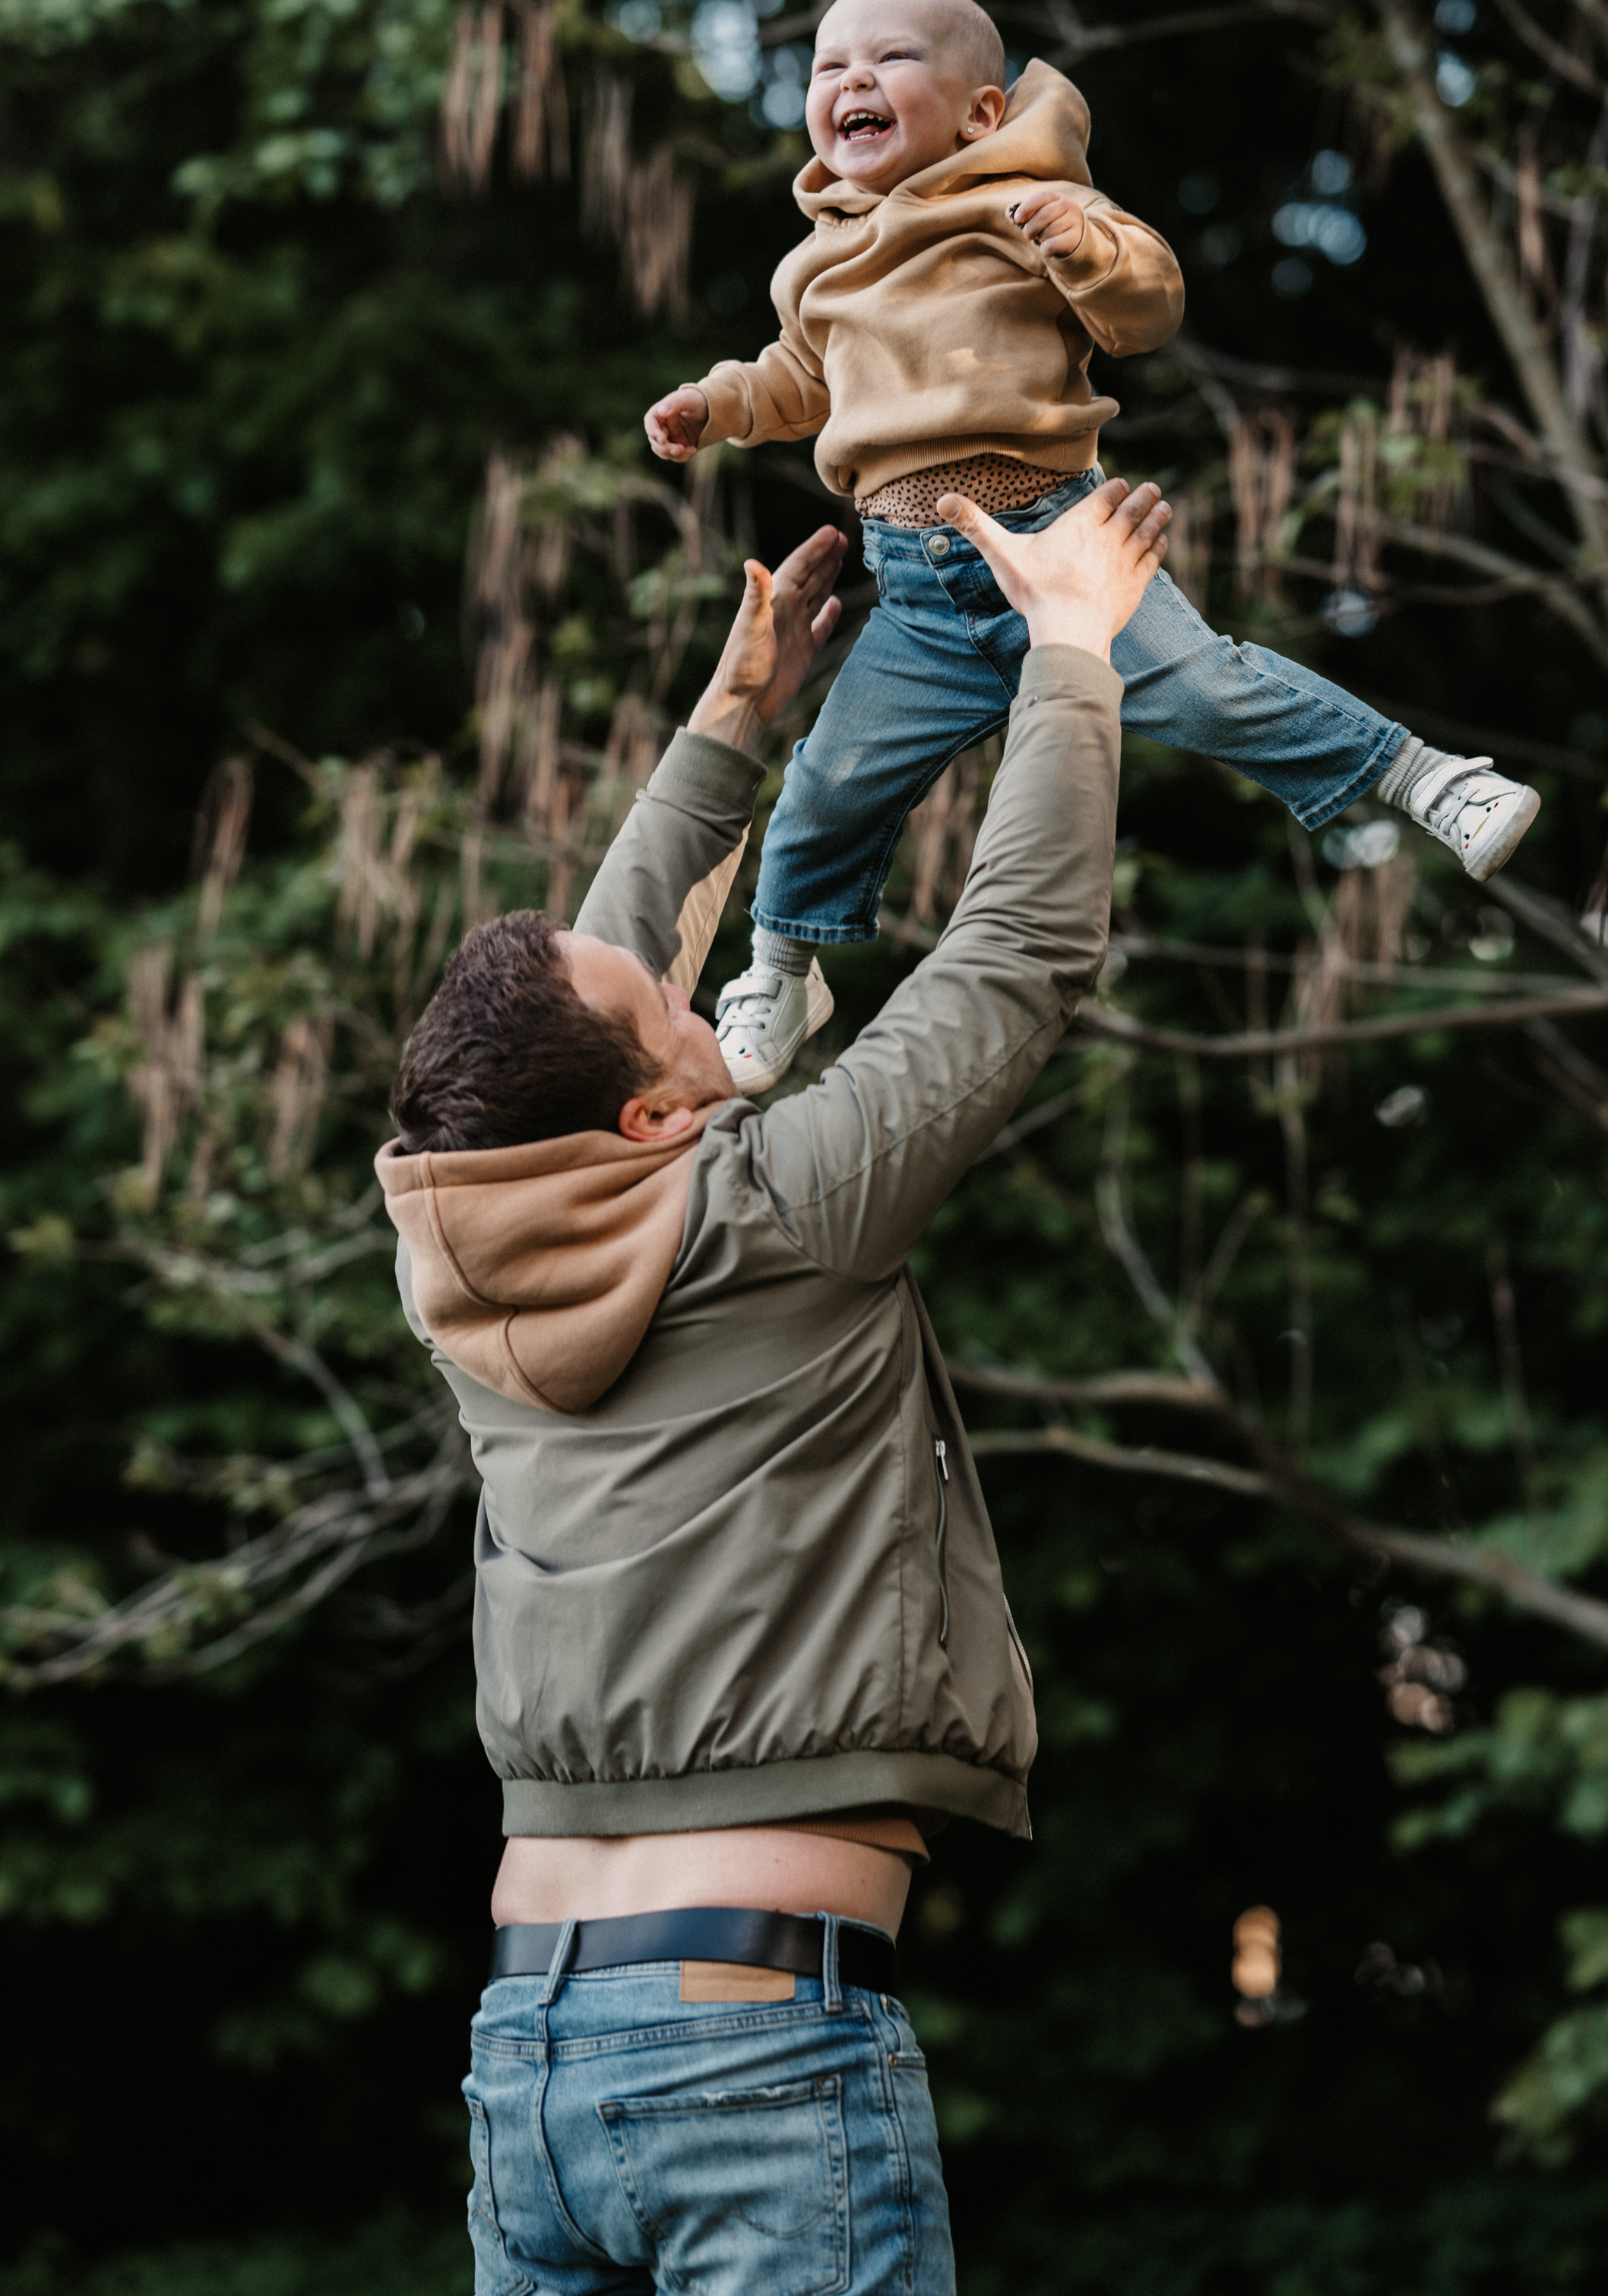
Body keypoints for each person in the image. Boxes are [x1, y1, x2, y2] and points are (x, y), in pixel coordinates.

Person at [375, 475, 1173, 2296]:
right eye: (674, 1014)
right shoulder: (777, 1214)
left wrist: (732, 727)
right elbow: (1014, 965)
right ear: (656, 1115)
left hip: (530, 2070)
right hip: (750, 2049)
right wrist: (1068, 647)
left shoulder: (459, 1260)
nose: (690, 987)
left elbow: (589, 1010)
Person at [645, 0, 1540, 1093]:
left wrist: (1079, 247)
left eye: (890, 59)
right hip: (917, 593)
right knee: (828, 784)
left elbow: (1145, 304)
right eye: (830, 66)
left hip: (1057, 546)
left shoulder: (1025, 200)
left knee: (1207, 686)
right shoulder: (820, 259)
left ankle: (1426, 780)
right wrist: (715, 405)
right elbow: (798, 379)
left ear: (978, 114)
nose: (853, 80)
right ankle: (780, 967)